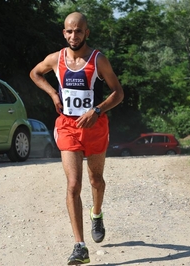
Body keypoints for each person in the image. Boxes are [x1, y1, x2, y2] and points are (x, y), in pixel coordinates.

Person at [30, 12, 124, 265]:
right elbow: (35, 73)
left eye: (79, 31)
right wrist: (52, 94)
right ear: (64, 33)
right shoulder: (56, 58)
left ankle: (96, 213)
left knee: (96, 180)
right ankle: (80, 247)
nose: (74, 36)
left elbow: (118, 93)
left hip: (95, 127)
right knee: (73, 185)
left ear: (86, 33)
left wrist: (97, 110)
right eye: (69, 31)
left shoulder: (98, 59)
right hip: (68, 126)